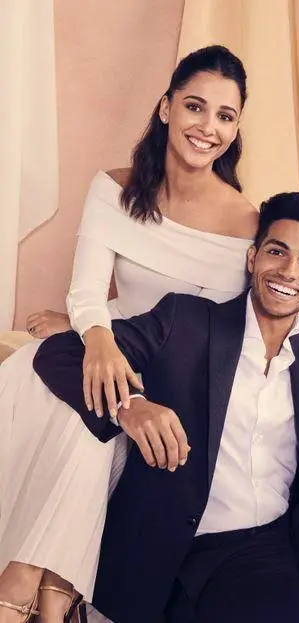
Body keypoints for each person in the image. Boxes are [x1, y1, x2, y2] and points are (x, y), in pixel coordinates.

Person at [34, 192, 299, 623]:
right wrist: (130, 406)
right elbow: (61, 353)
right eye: (277, 252)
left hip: (296, 536)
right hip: (209, 557)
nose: (289, 272)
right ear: (253, 258)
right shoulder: (187, 323)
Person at [0, 45, 258, 622]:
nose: (208, 127)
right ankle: (51, 599)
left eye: (225, 115)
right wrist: (93, 335)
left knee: (90, 419)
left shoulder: (248, 225)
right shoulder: (113, 189)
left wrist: (106, 351)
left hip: (171, 380)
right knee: (77, 405)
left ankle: (23, 584)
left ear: (236, 128)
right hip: (110, 352)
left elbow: (213, 338)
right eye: (195, 106)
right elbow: (89, 292)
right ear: (166, 108)